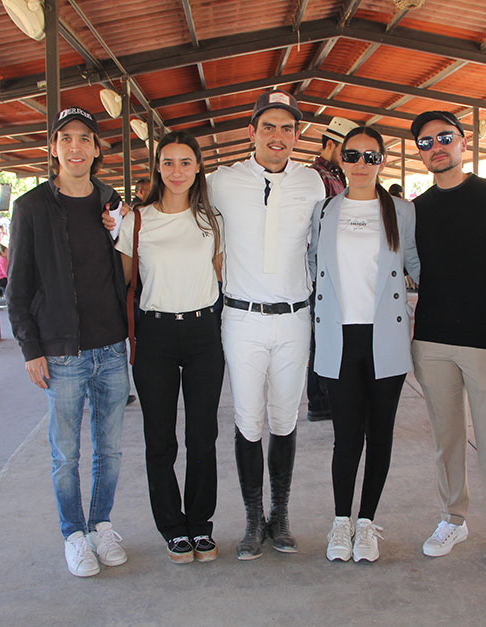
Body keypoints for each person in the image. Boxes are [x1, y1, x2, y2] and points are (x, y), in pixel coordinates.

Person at [7, 106, 130, 578]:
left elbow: (126, 267)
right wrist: (30, 349)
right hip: (61, 352)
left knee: (110, 449)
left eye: (84, 138)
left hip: (111, 347)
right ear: (53, 148)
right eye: (66, 138)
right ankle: (73, 534)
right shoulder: (32, 207)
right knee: (66, 453)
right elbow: (17, 287)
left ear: (97, 149)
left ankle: (101, 525)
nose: (75, 147)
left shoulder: (111, 202)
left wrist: (124, 229)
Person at [410, 110, 486, 575]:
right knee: (446, 440)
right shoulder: (418, 209)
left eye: (444, 137)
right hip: (432, 342)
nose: (436, 147)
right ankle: (452, 520)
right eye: (426, 142)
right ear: (420, 154)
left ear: (463, 142)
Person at [207, 90, 325, 560]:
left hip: (295, 317)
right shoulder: (222, 181)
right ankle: (253, 520)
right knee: (248, 420)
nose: (278, 136)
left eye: (287, 128)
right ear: (251, 132)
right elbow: (177, 202)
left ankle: (281, 515)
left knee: (284, 419)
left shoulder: (312, 182)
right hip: (241, 318)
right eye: (269, 127)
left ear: (297, 135)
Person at [308, 126, 420, 563]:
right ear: (342, 159)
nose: (361, 164)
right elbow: (313, 264)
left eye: (371, 156)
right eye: (353, 155)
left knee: (380, 435)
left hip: (385, 336)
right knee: (346, 436)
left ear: (382, 161)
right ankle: (341, 522)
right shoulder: (324, 210)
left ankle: (368, 523)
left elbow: (416, 265)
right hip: (340, 337)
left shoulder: (401, 212)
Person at [114, 131, 225, 563]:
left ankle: (200, 524)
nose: (176, 171)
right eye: (168, 162)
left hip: (203, 334)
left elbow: (220, 274)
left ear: (198, 168)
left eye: (185, 162)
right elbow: (122, 280)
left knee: (202, 435)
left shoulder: (213, 220)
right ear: (157, 168)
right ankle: (172, 528)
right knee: (159, 438)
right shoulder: (137, 221)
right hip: (155, 336)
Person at [306, 115, 358, 423]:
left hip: (337, 269)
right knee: (323, 337)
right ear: (330, 145)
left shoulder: (336, 176)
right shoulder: (317, 177)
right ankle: (321, 400)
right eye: (346, 150)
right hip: (324, 271)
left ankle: (328, 397)